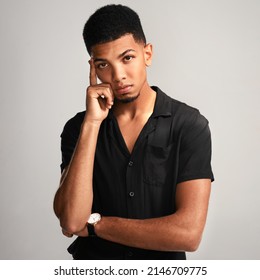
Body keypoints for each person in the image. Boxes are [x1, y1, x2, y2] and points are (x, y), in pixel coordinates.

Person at [53, 4, 214, 260]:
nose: (118, 76)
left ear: (147, 54)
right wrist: (92, 124)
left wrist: (95, 226)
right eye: (104, 64)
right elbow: (71, 222)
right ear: (93, 67)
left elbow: (188, 234)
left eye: (127, 58)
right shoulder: (78, 129)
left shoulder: (189, 125)